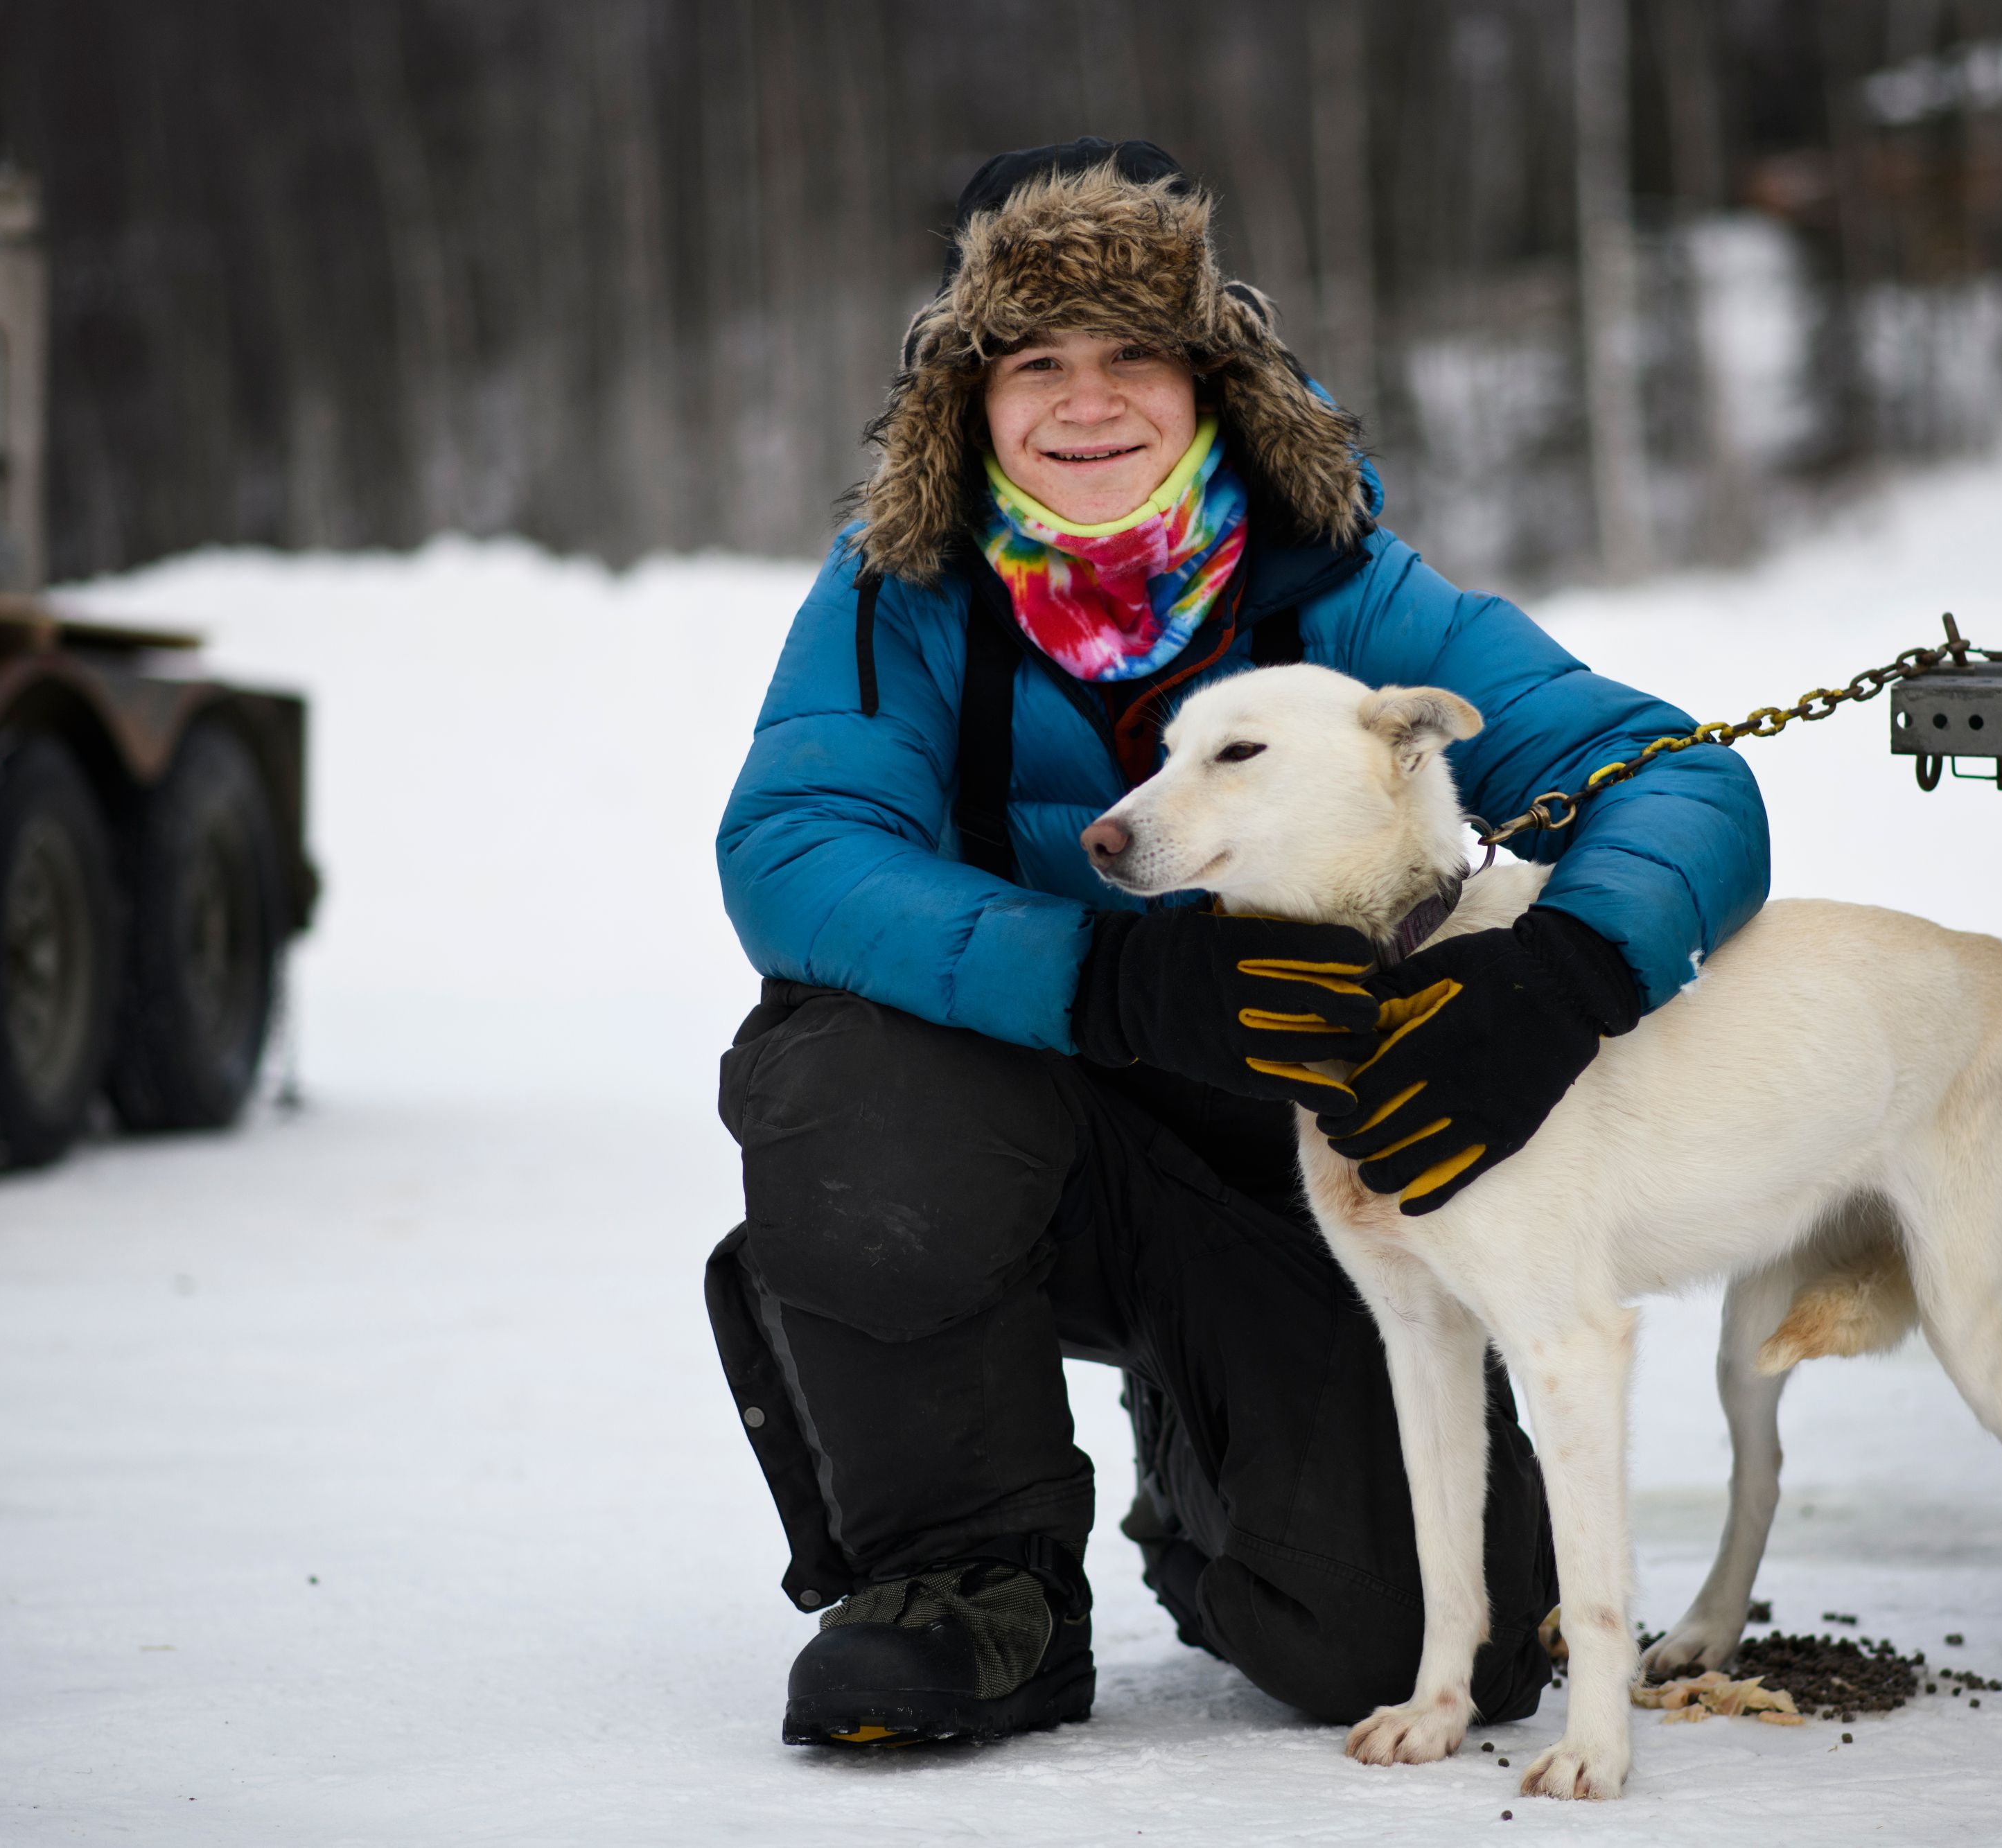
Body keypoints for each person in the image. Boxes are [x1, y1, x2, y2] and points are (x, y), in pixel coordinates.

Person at [707, 139, 1768, 1749]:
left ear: (1210, 382)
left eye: (1133, 352)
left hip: (1277, 1169)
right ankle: (961, 1576)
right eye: (1035, 362)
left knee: (1420, 1650)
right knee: (849, 1081)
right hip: (1006, 1127)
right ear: (969, 400)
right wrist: (1104, 974)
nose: (1087, 398)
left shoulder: (1338, 589)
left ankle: (1209, 1482)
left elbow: (1679, 780)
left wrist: (1568, 975)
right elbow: (794, 852)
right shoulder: (898, 594)